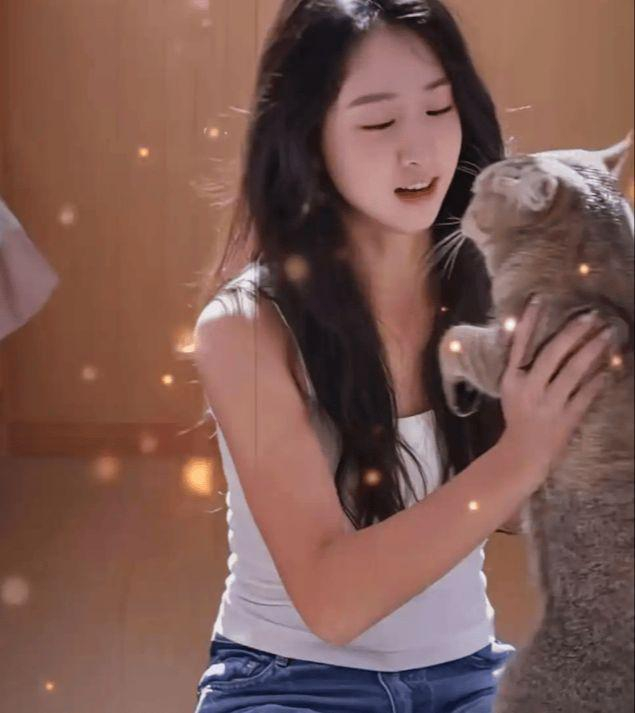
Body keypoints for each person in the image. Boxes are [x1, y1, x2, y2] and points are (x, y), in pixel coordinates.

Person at [191, 2, 612, 711]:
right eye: (379, 122)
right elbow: (332, 603)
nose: (419, 151)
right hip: (288, 680)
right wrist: (524, 452)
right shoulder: (243, 328)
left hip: (468, 672)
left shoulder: (499, 282)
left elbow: (527, 506)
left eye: (439, 109)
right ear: (307, 138)